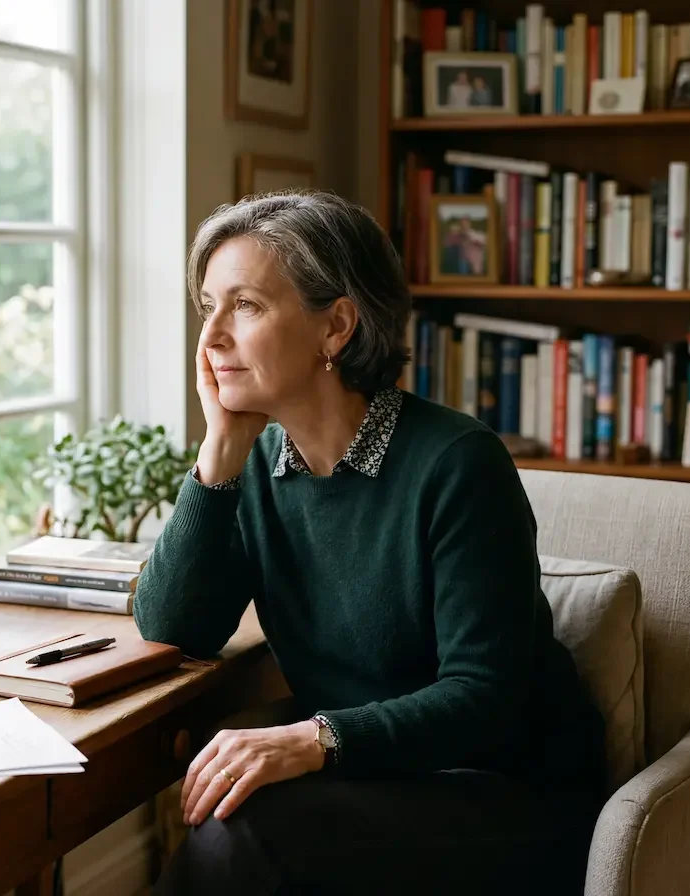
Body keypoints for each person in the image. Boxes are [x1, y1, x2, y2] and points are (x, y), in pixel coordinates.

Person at [135, 191, 607, 895]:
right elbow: (175, 627)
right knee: (237, 828)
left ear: (337, 329)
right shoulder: (260, 465)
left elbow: (484, 698)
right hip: (372, 779)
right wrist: (218, 459)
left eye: (247, 306)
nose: (212, 338)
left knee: (247, 838)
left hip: (508, 791)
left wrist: (312, 737)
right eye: (209, 307)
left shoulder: (457, 464)